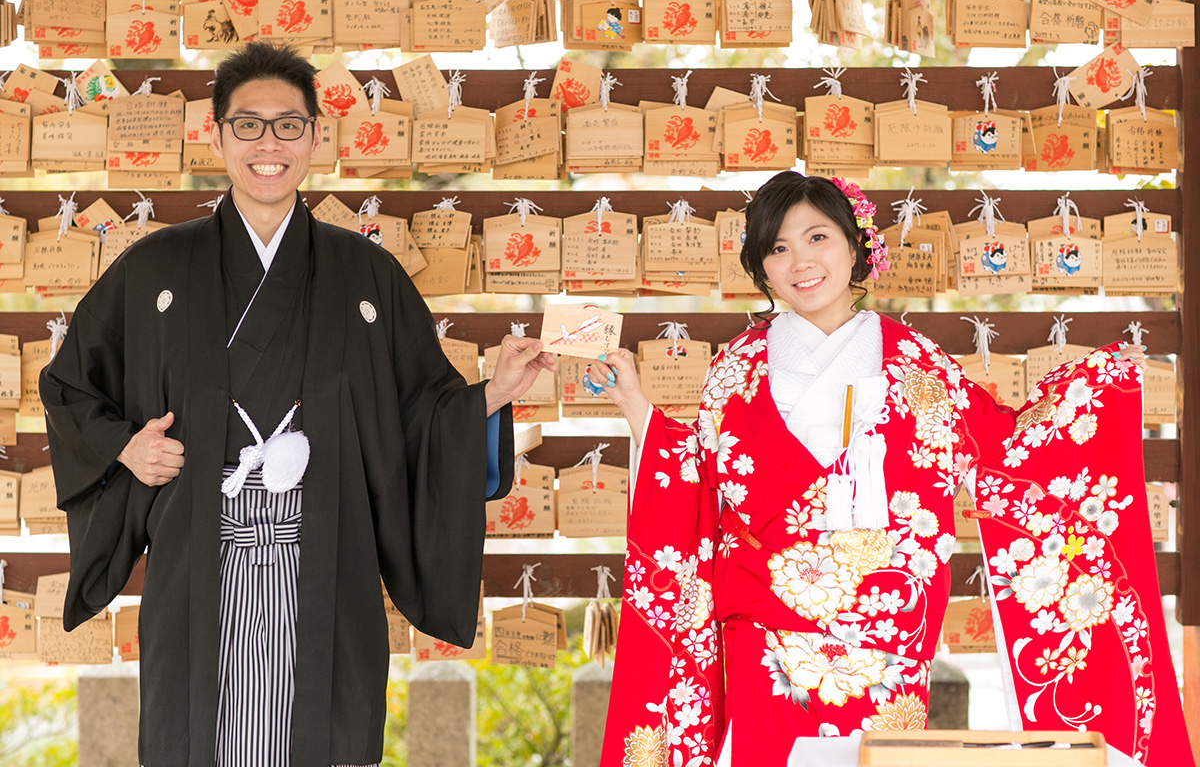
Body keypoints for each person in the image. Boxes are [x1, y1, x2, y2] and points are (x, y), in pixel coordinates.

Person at [41, 41, 556, 767]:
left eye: (289, 125)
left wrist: (494, 395)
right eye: (247, 125)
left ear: (317, 136)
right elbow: (68, 385)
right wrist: (125, 444)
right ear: (216, 135)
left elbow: (419, 416)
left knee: (329, 735)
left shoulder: (366, 276)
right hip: (199, 561)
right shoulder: (156, 269)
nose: (268, 145)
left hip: (326, 562)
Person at [590, 171, 1192, 767]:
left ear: (855, 246)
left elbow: (1005, 448)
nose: (800, 260)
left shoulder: (915, 359)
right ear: (762, 269)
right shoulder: (736, 368)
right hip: (769, 624)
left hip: (887, 622)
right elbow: (694, 477)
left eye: (817, 237)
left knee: (880, 757)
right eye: (777, 248)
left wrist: (1097, 387)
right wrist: (635, 405)